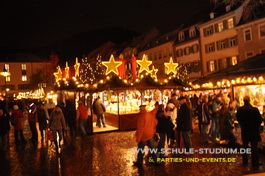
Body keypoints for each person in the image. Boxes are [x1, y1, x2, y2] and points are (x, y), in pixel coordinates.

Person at [236, 96, 263, 167]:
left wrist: (243, 125)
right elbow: (259, 120)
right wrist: (256, 126)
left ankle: (245, 161)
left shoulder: (240, 110)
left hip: (245, 130)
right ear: (249, 100)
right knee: (254, 147)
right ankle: (255, 162)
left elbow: (238, 119)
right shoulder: (255, 109)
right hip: (253, 130)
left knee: (244, 145)